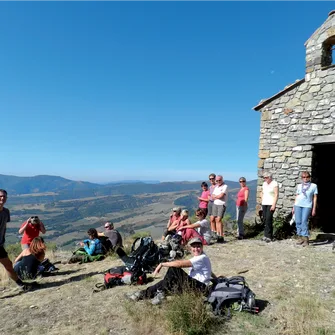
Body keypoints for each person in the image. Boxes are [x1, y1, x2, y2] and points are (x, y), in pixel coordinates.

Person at [127, 237, 216, 305]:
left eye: (198, 246)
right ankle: (141, 294)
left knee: (174, 269)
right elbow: (207, 270)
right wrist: (215, 278)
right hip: (193, 285)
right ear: (190, 248)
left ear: (202, 246)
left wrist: (162, 264)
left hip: (200, 288)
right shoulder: (201, 257)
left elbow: (180, 264)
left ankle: (161, 293)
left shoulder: (202, 257)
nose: (196, 249)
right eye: (194, 246)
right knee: (165, 281)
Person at [0, 189, 31, 290]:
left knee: (8, 265)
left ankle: (20, 284)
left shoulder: (6, 212)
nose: (2, 198)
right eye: (0, 196)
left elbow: (3, 226)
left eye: (4, 196)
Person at [292, 171, 318, 247]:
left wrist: (314, 208)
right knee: (298, 221)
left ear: (309, 177)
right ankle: (300, 238)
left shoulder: (314, 186)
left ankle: (306, 239)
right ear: (301, 178)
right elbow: (296, 196)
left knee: (304, 221)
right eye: (303, 177)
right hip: (298, 205)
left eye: (307, 177)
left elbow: (315, 197)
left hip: (307, 206)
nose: (305, 178)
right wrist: (293, 207)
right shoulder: (299, 186)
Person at [261, 172, 279, 243]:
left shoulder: (274, 183)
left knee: (269, 219)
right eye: (264, 177)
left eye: (266, 177)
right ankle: (265, 235)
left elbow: (276, 194)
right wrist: (262, 199)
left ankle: (269, 236)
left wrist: (274, 204)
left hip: (271, 203)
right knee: (265, 219)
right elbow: (262, 192)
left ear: (270, 177)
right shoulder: (264, 184)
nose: (265, 179)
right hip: (264, 203)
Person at [211, 175, 228, 243]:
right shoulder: (216, 187)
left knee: (219, 220)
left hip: (222, 204)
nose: (218, 181)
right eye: (217, 180)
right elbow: (212, 195)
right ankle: (218, 235)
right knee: (215, 219)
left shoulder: (225, 186)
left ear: (222, 179)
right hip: (215, 204)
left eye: (219, 180)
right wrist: (217, 196)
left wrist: (216, 196)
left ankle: (221, 236)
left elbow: (221, 196)